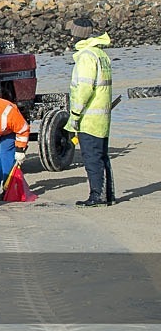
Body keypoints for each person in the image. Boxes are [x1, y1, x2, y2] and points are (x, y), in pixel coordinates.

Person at [62, 17, 114, 207]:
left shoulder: (86, 57)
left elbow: (84, 89)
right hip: (102, 117)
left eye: (72, 33)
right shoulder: (100, 54)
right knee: (102, 156)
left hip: (89, 118)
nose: (70, 36)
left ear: (77, 35)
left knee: (92, 158)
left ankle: (96, 196)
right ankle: (108, 194)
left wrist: (75, 116)